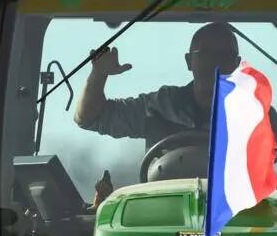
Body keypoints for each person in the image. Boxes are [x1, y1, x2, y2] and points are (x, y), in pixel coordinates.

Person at [73, 22, 243, 149]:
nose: (216, 63)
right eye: (207, 54)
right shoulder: (162, 105)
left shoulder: (255, 114)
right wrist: (98, 75)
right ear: (189, 61)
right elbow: (89, 118)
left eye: (225, 55)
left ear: (237, 64)